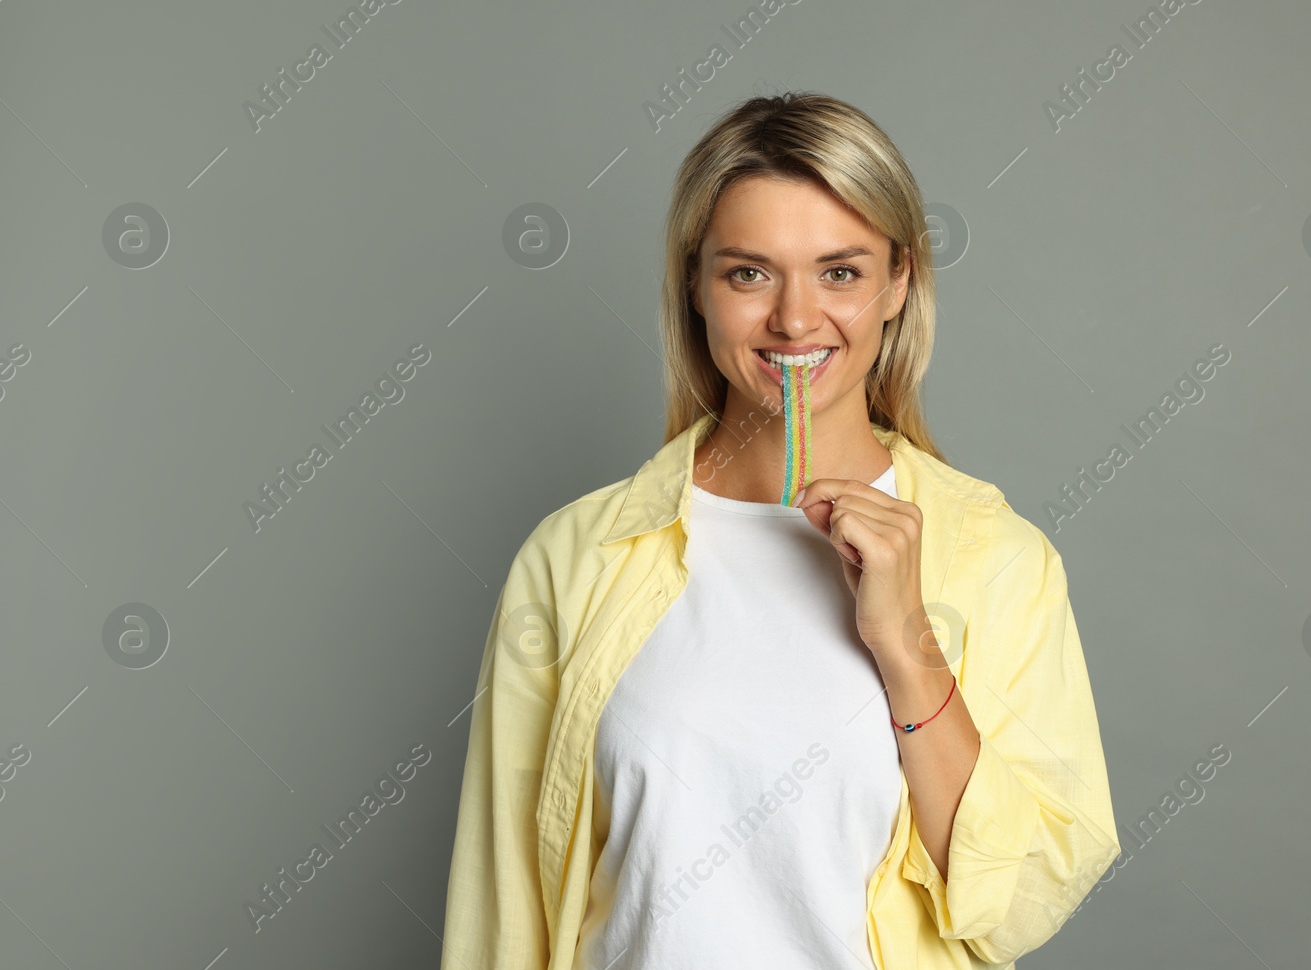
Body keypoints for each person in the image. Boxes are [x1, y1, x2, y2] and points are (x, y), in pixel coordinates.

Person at [439, 92, 1120, 969]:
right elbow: (501, 911)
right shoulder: (573, 558)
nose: (796, 319)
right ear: (695, 283)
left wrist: (906, 643)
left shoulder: (1000, 561)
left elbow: (1020, 901)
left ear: (898, 282)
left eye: (840, 271)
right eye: (749, 273)